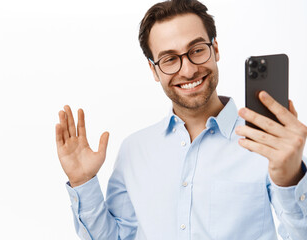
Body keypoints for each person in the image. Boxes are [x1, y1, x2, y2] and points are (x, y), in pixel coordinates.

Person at [55, 0, 307, 239]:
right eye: (169, 59)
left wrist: (290, 178)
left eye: (197, 50)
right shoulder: (134, 150)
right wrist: (82, 183)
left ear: (215, 49)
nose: (188, 70)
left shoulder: (268, 143)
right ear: (154, 70)